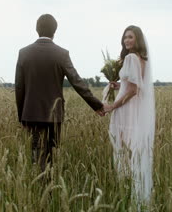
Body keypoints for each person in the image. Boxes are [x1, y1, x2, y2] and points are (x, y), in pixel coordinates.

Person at [15, 14, 110, 171]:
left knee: (35, 157)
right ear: (55, 31)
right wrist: (97, 105)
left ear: (36, 29)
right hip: (54, 116)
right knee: (50, 157)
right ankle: (50, 191)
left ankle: (37, 191)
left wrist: (22, 117)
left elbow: (19, 87)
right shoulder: (61, 54)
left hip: (30, 115)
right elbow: (77, 82)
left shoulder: (23, 53)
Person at [104, 25, 156, 204]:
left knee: (123, 149)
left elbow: (133, 90)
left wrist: (113, 106)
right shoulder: (142, 59)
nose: (126, 40)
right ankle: (136, 191)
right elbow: (134, 86)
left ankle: (126, 191)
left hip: (126, 110)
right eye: (125, 37)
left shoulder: (131, 58)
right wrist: (118, 86)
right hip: (135, 110)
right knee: (134, 150)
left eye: (131, 37)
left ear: (138, 40)